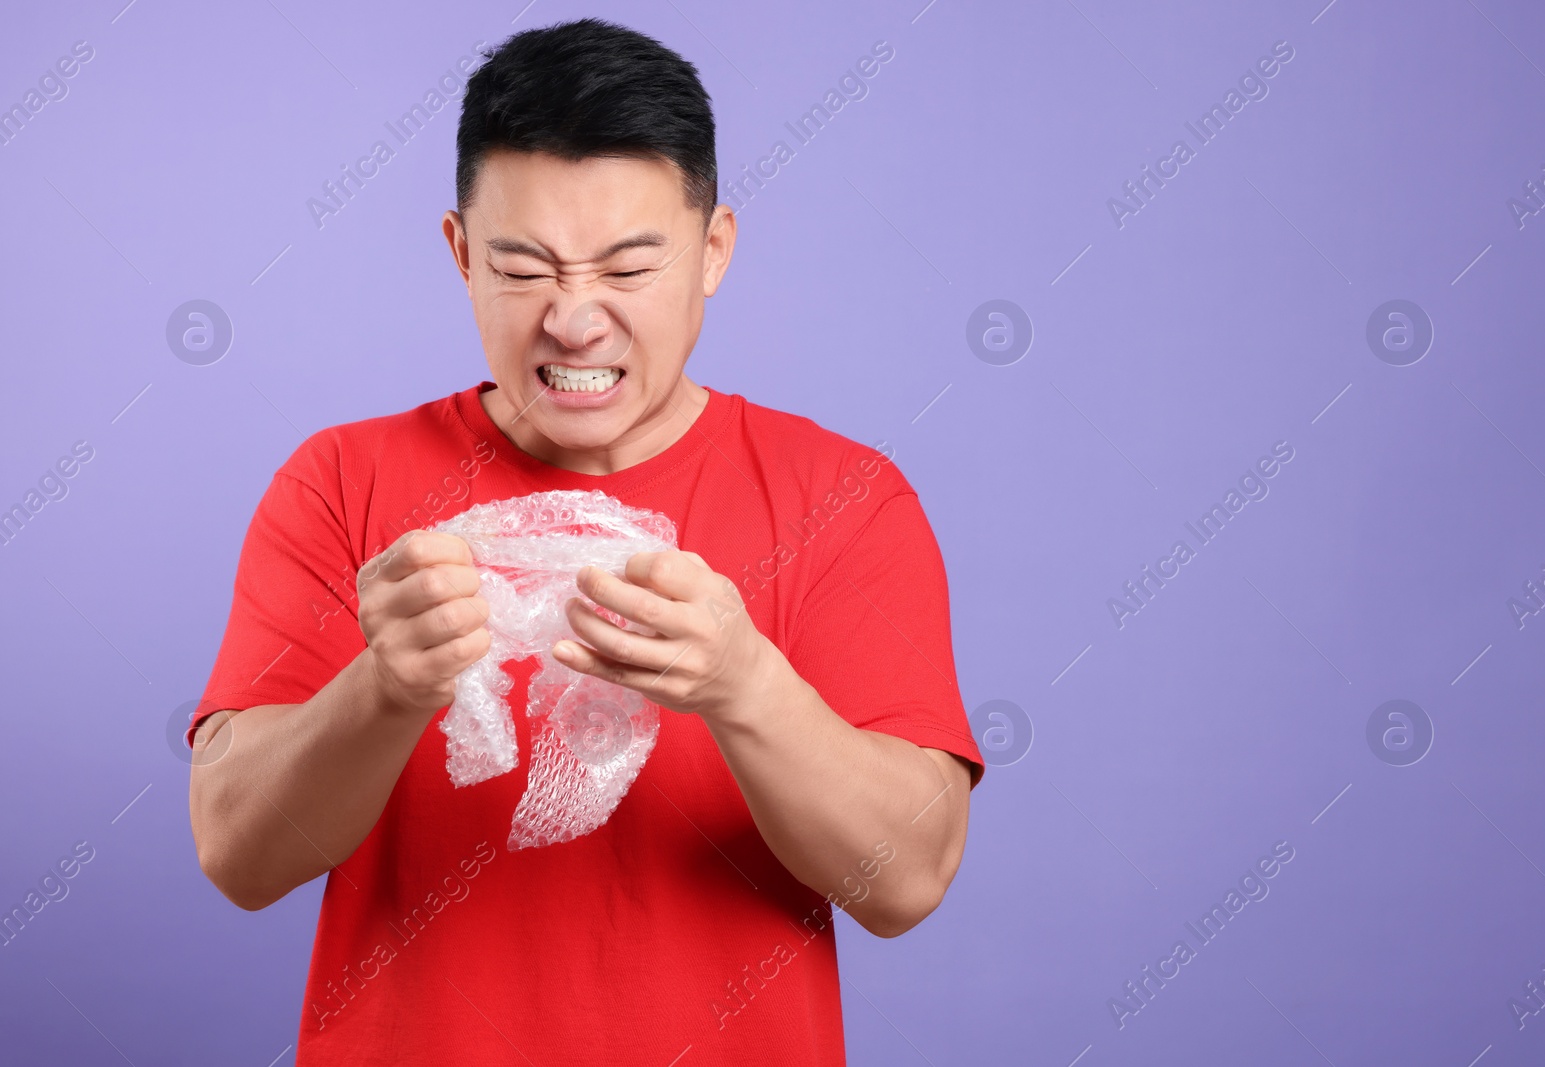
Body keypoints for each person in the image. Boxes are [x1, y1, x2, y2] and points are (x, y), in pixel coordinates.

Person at [187, 17, 982, 1066]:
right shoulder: (340, 481)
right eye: (522, 267)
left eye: (627, 267)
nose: (573, 319)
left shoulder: (842, 496)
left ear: (713, 252)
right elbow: (239, 854)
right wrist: (387, 685)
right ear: (461, 254)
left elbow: (908, 878)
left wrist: (744, 682)